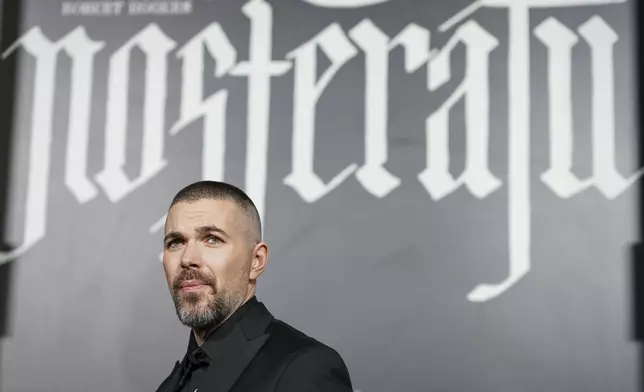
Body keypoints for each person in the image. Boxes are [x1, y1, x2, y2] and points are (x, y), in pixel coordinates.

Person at [155, 181, 353, 392]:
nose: (188, 259)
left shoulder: (305, 367)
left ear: (256, 260)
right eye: (175, 242)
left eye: (212, 239)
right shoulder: (171, 384)